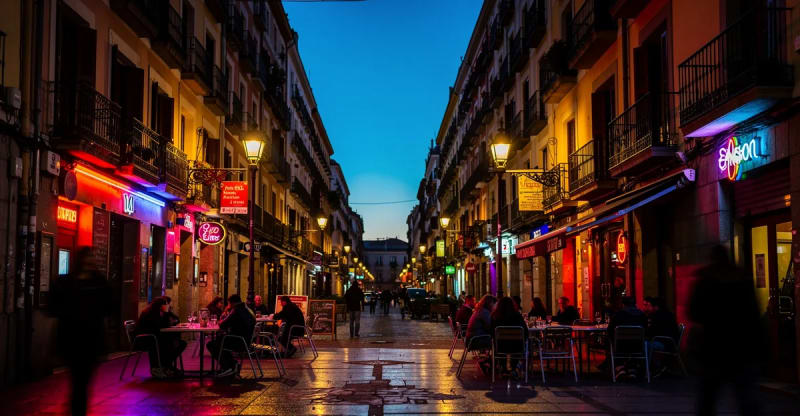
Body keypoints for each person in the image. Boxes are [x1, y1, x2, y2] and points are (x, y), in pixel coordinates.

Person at [690, 245, 763, 415]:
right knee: (745, 398)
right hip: (742, 347)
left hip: (713, 347)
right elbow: (754, 314)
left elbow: (693, 311)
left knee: (708, 397)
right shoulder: (743, 278)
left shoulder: (705, 280)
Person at [50, 247, 112, 416]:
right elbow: (54, 307)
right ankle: (77, 407)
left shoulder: (98, 282)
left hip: (90, 340)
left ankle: (76, 408)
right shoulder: (69, 282)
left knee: (81, 381)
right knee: (79, 381)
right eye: (88, 258)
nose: (90, 262)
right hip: (73, 339)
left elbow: (109, 306)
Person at [206, 294, 256, 377]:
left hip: (239, 341)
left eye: (229, 303)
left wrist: (225, 314)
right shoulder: (247, 309)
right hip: (246, 339)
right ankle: (232, 365)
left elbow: (223, 324)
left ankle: (228, 367)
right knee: (219, 341)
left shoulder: (236, 310)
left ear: (232, 303)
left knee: (212, 344)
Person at [136, 297, 185, 378]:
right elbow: (159, 326)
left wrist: (168, 313)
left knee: (180, 343)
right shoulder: (149, 313)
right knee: (170, 344)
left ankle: (166, 365)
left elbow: (175, 319)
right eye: (165, 304)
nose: (167, 305)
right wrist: (167, 316)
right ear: (159, 305)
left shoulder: (161, 312)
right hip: (147, 339)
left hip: (156, 337)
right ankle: (164, 366)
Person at [491, 297, 529, 378]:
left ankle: (503, 367)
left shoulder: (495, 316)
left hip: (500, 347)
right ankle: (514, 368)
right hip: (517, 347)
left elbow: (491, 332)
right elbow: (525, 332)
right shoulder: (517, 316)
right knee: (522, 343)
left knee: (499, 343)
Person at [643, 296, 679, 377]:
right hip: (671, 342)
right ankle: (655, 367)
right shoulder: (669, 314)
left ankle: (651, 368)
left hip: (665, 343)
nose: (649, 308)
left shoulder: (657, 315)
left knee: (644, 344)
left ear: (656, 306)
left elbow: (652, 332)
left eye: (650, 305)